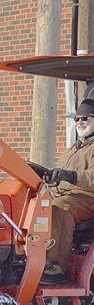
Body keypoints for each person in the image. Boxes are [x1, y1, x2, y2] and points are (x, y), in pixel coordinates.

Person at [42, 98, 94, 282]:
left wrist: (71, 176)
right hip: (66, 194)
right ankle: (27, 257)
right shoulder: (74, 148)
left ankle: (55, 265)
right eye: (77, 119)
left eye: (85, 118)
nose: (80, 122)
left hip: (87, 197)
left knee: (60, 208)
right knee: (35, 205)